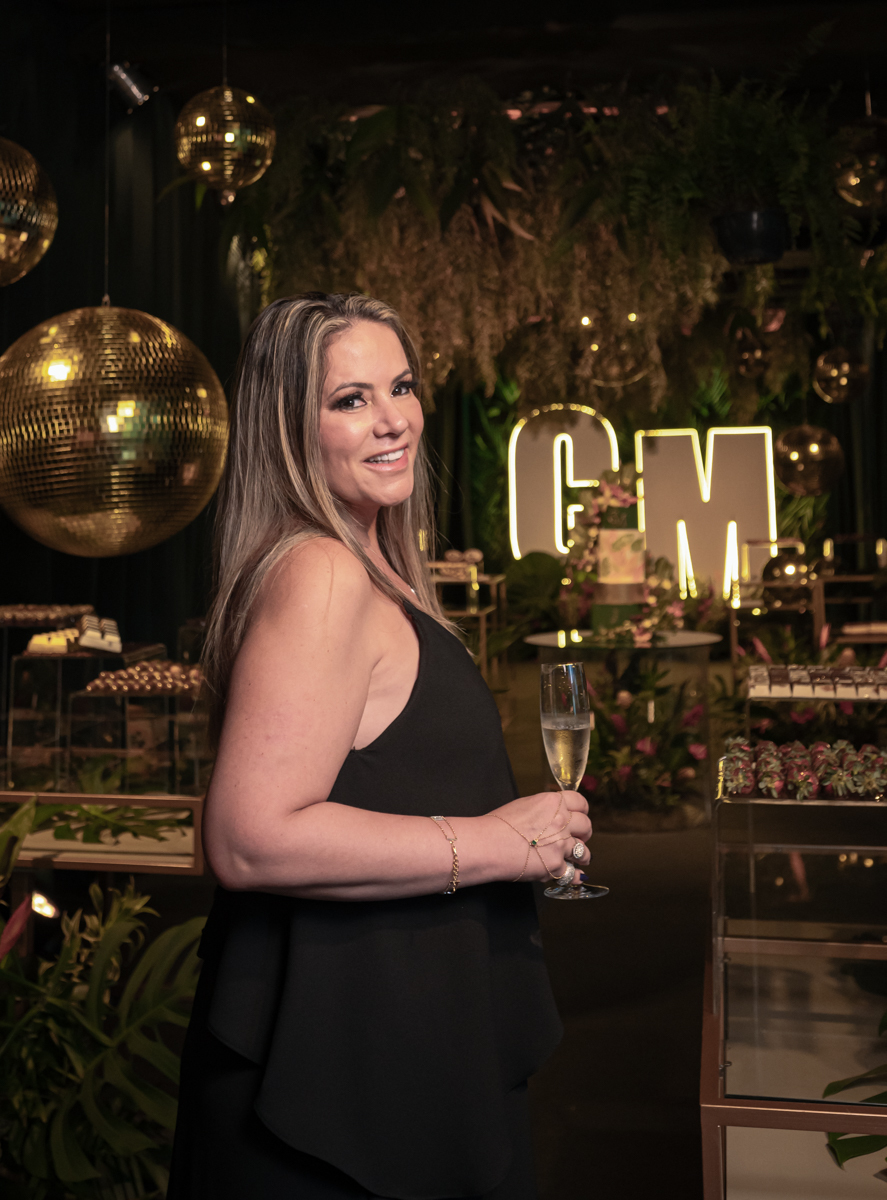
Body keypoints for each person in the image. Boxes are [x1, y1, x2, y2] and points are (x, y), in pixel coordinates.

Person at [167, 292, 593, 1200]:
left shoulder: (369, 563)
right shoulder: (322, 572)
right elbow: (248, 839)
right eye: (349, 399)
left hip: (386, 1041)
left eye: (399, 387)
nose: (392, 419)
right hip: (338, 1079)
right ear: (290, 427)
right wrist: (497, 844)